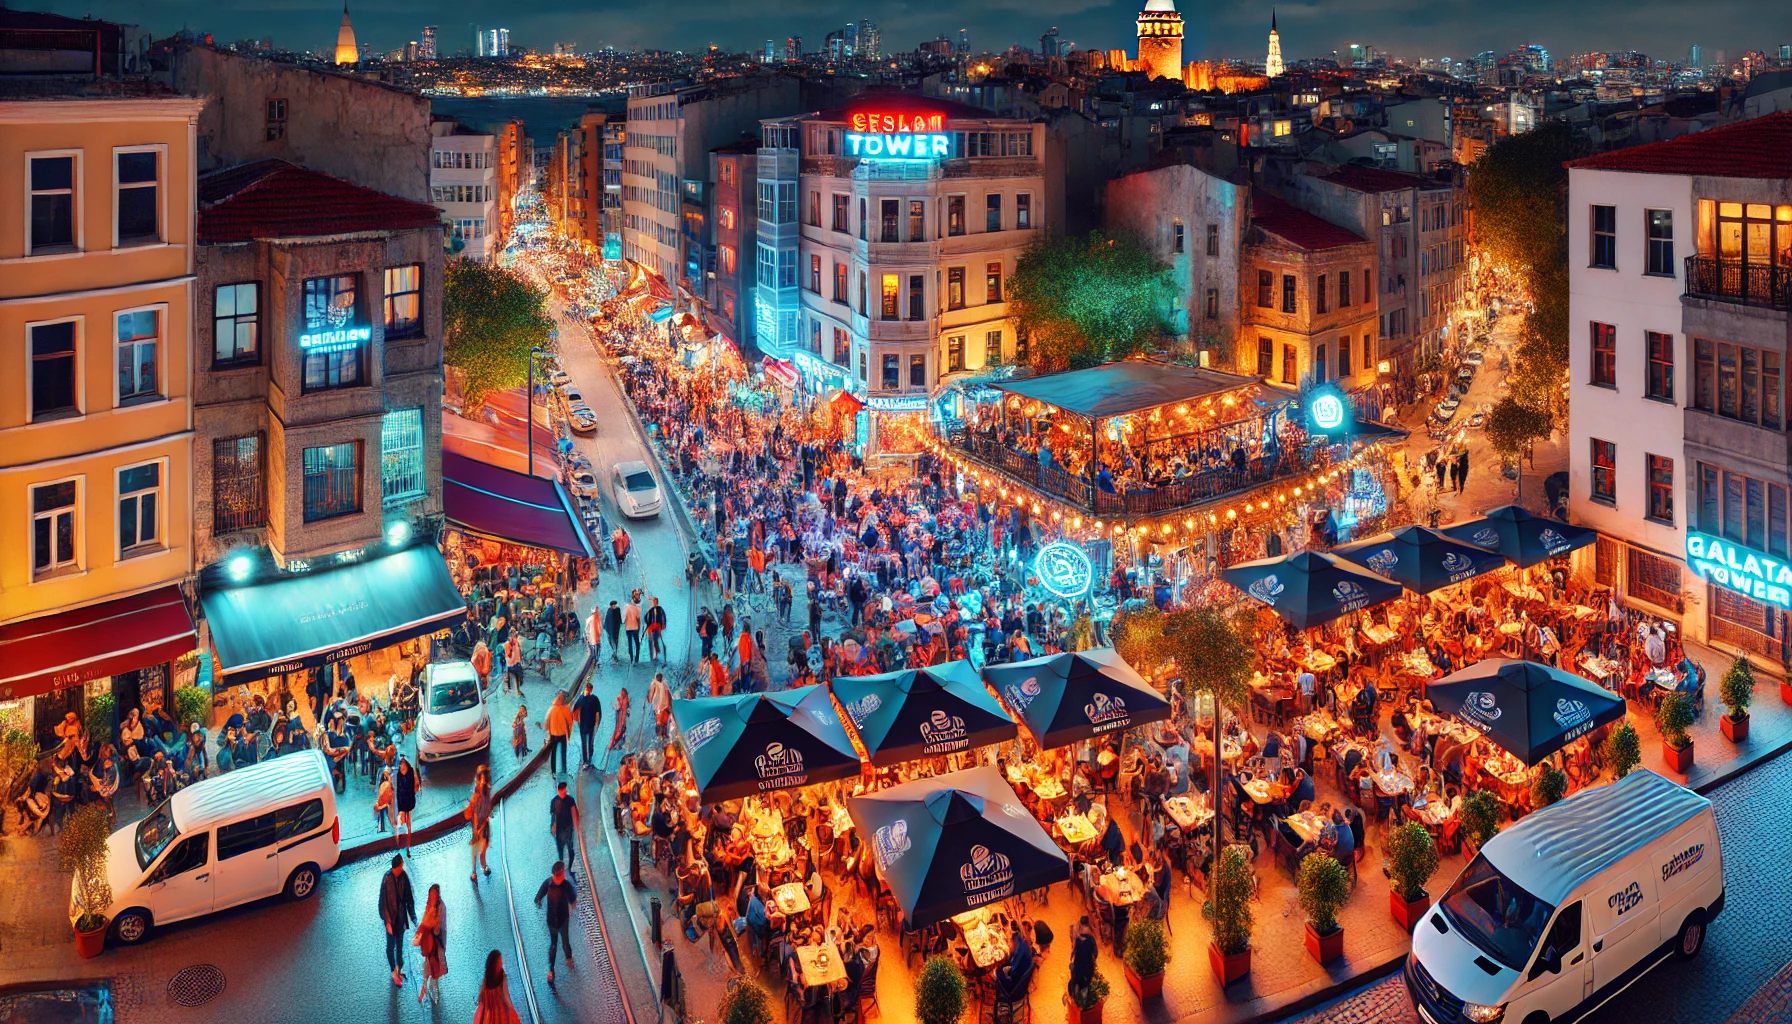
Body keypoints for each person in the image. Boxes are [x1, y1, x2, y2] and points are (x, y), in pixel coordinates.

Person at [534, 860, 578, 985]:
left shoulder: (560, 884)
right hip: (554, 921)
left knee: (564, 942)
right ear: (560, 873)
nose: (564, 873)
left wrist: (538, 901)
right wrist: (538, 900)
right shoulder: (552, 884)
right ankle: (552, 969)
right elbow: (538, 896)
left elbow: (572, 897)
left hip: (561, 919)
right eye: (563, 871)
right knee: (555, 944)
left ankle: (567, 958)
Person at [379, 854, 417, 987]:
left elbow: (409, 898)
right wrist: (387, 922)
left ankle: (399, 969)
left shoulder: (403, 877)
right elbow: (382, 903)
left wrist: (413, 916)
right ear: (398, 865)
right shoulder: (386, 879)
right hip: (391, 920)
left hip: (400, 918)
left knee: (399, 944)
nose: (403, 867)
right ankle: (393, 972)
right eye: (402, 864)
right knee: (391, 946)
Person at [416, 883, 447, 1005]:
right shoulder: (429, 905)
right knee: (428, 963)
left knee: (435, 964)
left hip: (437, 941)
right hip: (429, 940)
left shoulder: (441, 907)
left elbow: (442, 927)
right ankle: (428, 984)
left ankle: (433, 986)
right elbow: (425, 920)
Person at [473, 950, 522, 1024]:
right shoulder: (502, 977)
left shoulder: (487, 978)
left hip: (488, 1015)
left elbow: (481, 996)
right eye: (500, 961)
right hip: (501, 1013)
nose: (501, 963)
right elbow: (506, 996)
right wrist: (512, 1011)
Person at [467, 765, 493, 880]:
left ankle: (483, 864)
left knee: (484, 846)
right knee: (476, 847)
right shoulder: (477, 793)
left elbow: (488, 808)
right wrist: (477, 829)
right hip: (477, 823)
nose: (483, 781)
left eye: (484, 778)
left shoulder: (487, 789)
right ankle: (474, 871)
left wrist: (484, 822)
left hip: (484, 822)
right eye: (481, 778)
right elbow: (475, 813)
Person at [549, 780, 580, 878]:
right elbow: (553, 816)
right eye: (563, 791)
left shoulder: (570, 800)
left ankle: (569, 868)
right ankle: (562, 868)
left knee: (571, 849)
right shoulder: (554, 801)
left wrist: (576, 826)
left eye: (565, 790)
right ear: (559, 791)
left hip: (569, 829)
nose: (565, 792)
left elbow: (574, 812)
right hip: (559, 830)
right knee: (561, 851)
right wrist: (553, 827)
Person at [542, 691, 574, 775]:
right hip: (561, 735)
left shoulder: (551, 709)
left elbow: (545, 726)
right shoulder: (565, 709)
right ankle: (563, 770)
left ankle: (554, 772)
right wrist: (569, 735)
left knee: (554, 754)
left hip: (554, 735)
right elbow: (570, 723)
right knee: (562, 753)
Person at [573, 683, 603, 770]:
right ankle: (586, 761)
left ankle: (589, 760)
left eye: (589, 688)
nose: (588, 689)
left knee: (590, 743)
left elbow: (597, 712)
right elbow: (575, 711)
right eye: (587, 688)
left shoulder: (594, 699)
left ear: (591, 689)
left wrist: (597, 724)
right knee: (584, 743)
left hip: (591, 725)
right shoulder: (581, 699)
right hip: (583, 725)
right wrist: (578, 721)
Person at [394, 756, 418, 856]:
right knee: (401, 822)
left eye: (402, 764)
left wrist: (412, 793)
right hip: (401, 801)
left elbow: (416, 785)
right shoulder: (398, 774)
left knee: (407, 824)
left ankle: (407, 845)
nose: (401, 766)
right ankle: (401, 843)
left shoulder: (411, 772)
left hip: (408, 801)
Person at [1069, 915, 1097, 992]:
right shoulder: (1091, 939)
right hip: (1087, 964)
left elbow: (1074, 951)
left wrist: (1072, 958)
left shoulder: (1078, 938)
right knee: (1086, 980)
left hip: (1079, 963)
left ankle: (1076, 992)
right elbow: (1095, 953)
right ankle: (1083, 992)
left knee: (1077, 978)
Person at [647, 672, 673, 742]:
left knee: (661, 723)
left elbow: (650, 696)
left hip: (661, 709)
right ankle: (663, 736)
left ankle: (662, 736)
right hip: (663, 709)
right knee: (662, 723)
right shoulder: (661, 684)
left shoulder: (658, 684)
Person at [645, 596, 668, 661]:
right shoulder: (651, 610)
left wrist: (664, 624)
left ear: (657, 602)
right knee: (653, 639)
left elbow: (664, 616)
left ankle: (657, 652)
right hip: (652, 627)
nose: (654, 603)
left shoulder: (660, 609)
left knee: (655, 638)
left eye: (655, 602)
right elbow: (646, 617)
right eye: (653, 602)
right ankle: (654, 655)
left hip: (657, 627)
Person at [374, 768, 395, 833]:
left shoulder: (385, 784)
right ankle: (383, 828)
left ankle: (382, 828)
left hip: (384, 803)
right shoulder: (386, 784)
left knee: (384, 816)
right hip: (384, 803)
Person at [624, 595, 643, 662]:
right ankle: (636, 659)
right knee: (637, 644)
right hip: (635, 628)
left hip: (628, 628)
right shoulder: (636, 608)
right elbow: (638, 618)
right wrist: (639, 627)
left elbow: (623, 618)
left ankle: (631, 658)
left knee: (630, 644)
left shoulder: (626, 607)